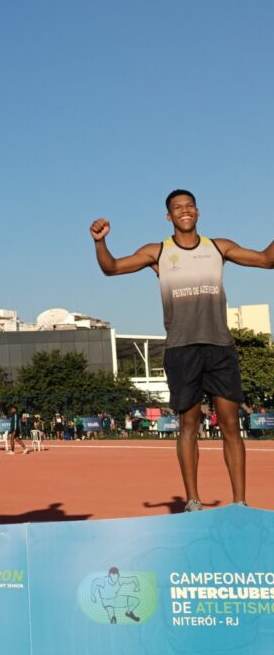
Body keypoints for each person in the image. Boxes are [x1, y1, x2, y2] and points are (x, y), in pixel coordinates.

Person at [91, 189, 274, 511]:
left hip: (220, 347)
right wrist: (99, 242)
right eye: (177, 208)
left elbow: (266, 259)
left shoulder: (219, 247)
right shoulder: (158, 252)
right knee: (189, 426)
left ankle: (240, 503)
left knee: (231, 426)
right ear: (169, 216)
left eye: (189, 206)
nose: (184, 211)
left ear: (198, 212)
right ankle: (192, 500)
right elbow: (112, 268)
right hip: (181, 349)